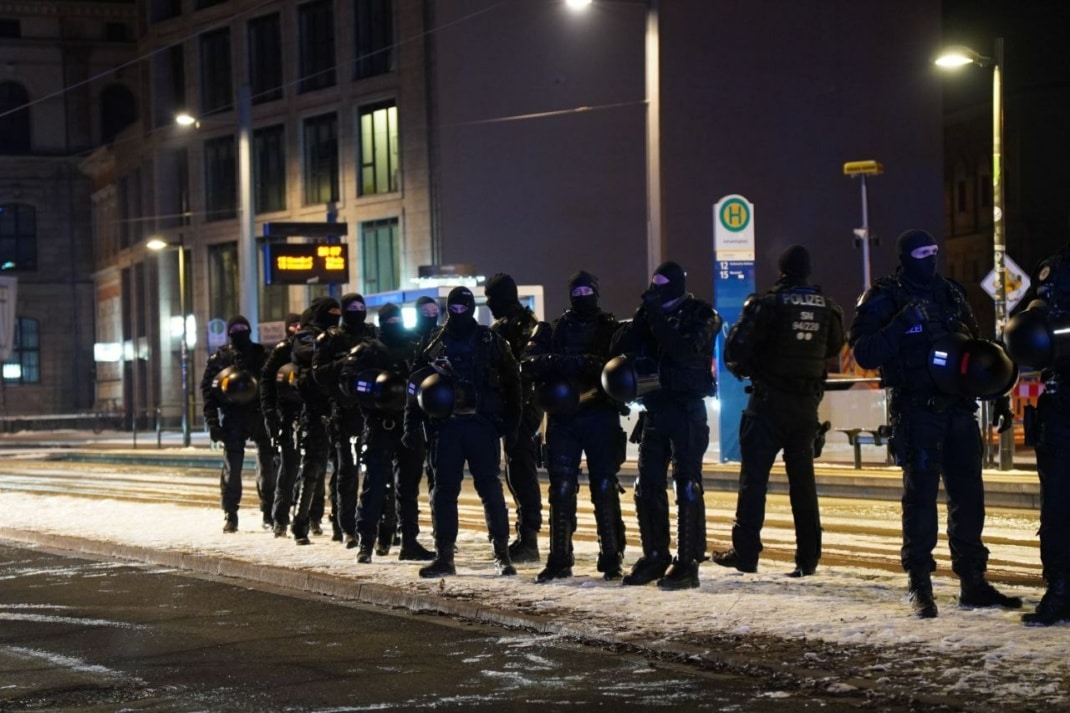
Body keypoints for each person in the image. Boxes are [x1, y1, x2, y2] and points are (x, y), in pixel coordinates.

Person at [849, 228, 1020, 618]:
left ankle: (973, 580)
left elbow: (978, 348)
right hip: (917, 409)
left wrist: (999, 393)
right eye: (922, 252)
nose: (930, 258)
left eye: (934, 251)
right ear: (906, 255)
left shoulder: (951, 293)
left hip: (959, 408)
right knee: (920, 498)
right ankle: (920, 584)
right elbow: (864, 352)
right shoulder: (885, 296)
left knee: (969, 496)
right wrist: (899, 325)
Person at [714, 245, 844, 576]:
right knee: (803, 484)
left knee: (753, 482)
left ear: (782, 270)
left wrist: (754, 364)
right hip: (804, 407)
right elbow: (834, 346)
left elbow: (737, 351)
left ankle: (746, 554)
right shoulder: (827, 307)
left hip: (768, 404)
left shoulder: (766, 304)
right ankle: (808, 557)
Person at [610, 261, 722, 589]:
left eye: (663, 282)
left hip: (687, 409)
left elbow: (682, 352)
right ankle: (655, 554)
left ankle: (687, 562)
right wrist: (642, 317)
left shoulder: (702, 313)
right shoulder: (649, 314)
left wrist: (656, 316)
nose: (657, 287)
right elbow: (620, 351)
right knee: (647, 485)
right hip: (655, 409)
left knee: (686, 484)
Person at [403, 286, 522, 577]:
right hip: (447, 426)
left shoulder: (489, 339)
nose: (458, 314)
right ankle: (445, 555)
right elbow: (415, 385)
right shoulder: (435, 341)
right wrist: (411, 424)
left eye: (463, 308)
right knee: (443, 492)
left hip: (482, 425)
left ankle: (502, 553)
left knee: (490, 489)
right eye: (453, 308)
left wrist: (512, 425)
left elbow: (512, 382)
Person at [521, 270, 628, 581]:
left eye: (587, 289)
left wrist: (584, 364)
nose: (582, 295)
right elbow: (527, 363)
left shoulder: (610, 329)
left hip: (600, 414)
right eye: (577, 290)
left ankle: (611, 556)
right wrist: (565, 362)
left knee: (605, 486)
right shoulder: (552, 330)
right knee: (562, 490)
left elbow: (620, 363)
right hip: (564, 417)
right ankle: (559, 558)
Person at [1003, 244, 1070, 626]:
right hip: (1060, 402)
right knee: (1058, 505)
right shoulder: (1053, 269)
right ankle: (1060, 589)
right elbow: (1028, 326)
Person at [349, 303, 435, 563]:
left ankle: (408, 541)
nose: (395, 323)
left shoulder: (414, 347)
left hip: (408, 425)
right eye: (391, 320)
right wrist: (375, 398)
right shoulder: (369, 350)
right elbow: (352, 383)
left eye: (398, 318)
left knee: (407, 487)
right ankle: (366, 542)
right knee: (374, 485)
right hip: (380, 425)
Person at [484, 273, 545, 563]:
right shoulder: (509, 326)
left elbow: (522, 370)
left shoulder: (523, 328)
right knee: (515, 469)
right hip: (510, 407)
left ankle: (529, 537)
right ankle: (525, 534)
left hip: (523, 406)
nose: (488, 303)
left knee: (521, 469)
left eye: (491, 297)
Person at [313, 293, 380, 550]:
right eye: (352, 307)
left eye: (360, 307)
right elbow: (319, 374)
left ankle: (375, 527)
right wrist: (347, 361)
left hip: (373, 410)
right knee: (346, 474)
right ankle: (347, 528)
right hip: (343, 411)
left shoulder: (373, 336)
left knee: (377, 474)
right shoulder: (330, 339)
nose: (357, 311)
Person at [200, 315, 275, 533]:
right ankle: (230, 514)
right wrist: (213, 424)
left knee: (268, 467)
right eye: (236, 328)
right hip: (233, 416)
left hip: (259, 415)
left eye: (243, 327)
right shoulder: (220, 358)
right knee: (232, 470)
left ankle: (268, 511)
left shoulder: (262, 355)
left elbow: (271, 388)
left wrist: (274, 416)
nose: (240, 331)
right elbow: (208, 393)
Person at [290, 297, 341, 545]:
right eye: (330, 312)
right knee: (312, 470)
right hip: (315, 410)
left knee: (344, 469)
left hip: (340, 407)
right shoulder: (306, 337)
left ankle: (341, 522)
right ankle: (300, 523)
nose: (336, 316)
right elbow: (309, 359)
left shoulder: (340, 334)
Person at [259, 312, 303, 537]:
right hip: (286, 416)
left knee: (311, 472)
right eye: (292, 325)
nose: (296, 328)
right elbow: (267, 380)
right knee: (288, 469)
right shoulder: (281, 351)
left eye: (299, 324)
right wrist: (271, 415)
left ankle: (309, 519)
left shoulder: (313, 346)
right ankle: (280, 519)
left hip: (309, 414)